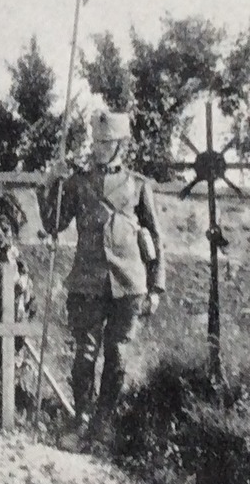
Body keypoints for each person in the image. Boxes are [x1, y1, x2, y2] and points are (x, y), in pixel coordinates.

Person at [39, 109, 164, 451]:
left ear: (120, 145)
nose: (98, 148)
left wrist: (156, 287)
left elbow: (155, 237)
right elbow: (52, 224)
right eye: (96, 141)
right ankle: (81, 418)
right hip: (87, 282)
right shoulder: (78, 183)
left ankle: (102, 423)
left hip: (129, 282)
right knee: (85, 353)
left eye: (106, 142)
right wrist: (49, 184)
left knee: (118, 354)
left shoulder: (138, 185)